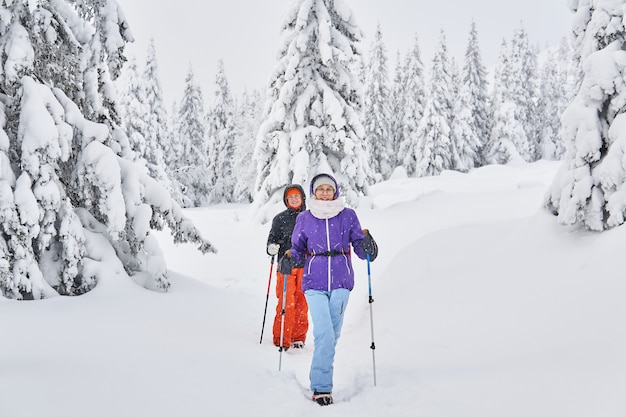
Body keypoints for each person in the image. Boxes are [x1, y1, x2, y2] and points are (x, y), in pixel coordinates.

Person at [279, 173, 378, 406]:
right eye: (320, 189)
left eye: (329, 189)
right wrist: (289, 259)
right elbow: (297, 249)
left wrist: (368, 246)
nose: (325, 192)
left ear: (335, 192)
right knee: (324, 332)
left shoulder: (348, 216)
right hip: (314, 282)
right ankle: (322, 387)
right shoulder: (305, 218)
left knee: (331, 336)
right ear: (313, 192)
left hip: (342, 282)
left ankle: (317, 376)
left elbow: (359, 245)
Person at [266, 185, 309, 351]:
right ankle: (282, 337)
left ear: (302, 197)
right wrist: (271, 247)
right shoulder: (279, 219)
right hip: (286, 266)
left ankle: (298, 338)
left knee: (302, 302)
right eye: (290, 197)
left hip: (305, 266)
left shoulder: (309, 217)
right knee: (286, 302)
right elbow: (272, 239)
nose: (293, 199)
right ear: (286, 200)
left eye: (296, 196)